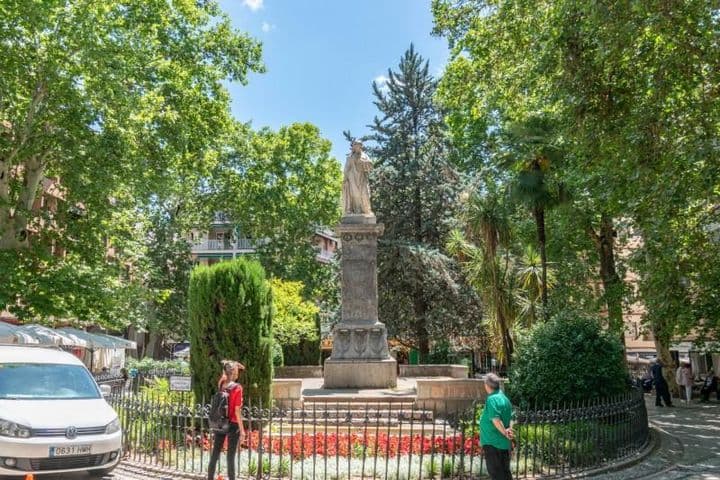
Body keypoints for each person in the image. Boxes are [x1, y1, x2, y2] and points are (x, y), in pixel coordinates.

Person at [207, 360, 245, 480]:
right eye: (237, 371)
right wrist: (242, 430)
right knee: (230, 456)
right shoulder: (237, 388)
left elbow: (225, 372)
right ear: (233, 372)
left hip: (220, 423)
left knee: (215, 453)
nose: (238, 373)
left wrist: (232, 366)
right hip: (233, 424)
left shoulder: (222, 384)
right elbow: (237, 411)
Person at [479, 373, 514, 480]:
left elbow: (496, 419)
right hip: (502, 443)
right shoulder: (504, 398)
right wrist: (509, 431)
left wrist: (505, 432)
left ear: (487, 385)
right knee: (505, 473)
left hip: (493, 443)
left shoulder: (492, 399)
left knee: (496, 474)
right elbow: (512, 418)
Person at [341, 140, 373, 215]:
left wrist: (365, 162)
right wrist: (345, 179)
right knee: (355, 195)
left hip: (362, 178)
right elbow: (346, 168)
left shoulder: (364, 156)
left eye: (359, 146)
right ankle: (357, 210)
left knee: (365, 194)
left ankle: (366, 210)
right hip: (352, 178)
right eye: (356, 146)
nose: (357, 147)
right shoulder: (350, 157)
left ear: (361, 147)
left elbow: (370, 165)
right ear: (354, 147)